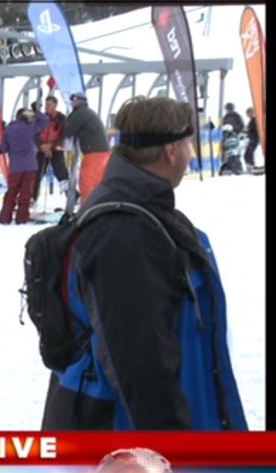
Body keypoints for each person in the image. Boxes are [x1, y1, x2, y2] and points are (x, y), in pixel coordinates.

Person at [41, 95, 247, 431]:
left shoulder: (146, 214)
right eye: (188, 145)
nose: (191, 154)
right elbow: (141, 365)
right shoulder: (124, 232)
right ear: (171, 150)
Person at [0, 106, 48, 225]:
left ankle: (5, 217)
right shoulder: (30, 128)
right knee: (26, 193)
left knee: (11, 192)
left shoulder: (9, 129)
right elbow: (45, 120)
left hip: (15, 166)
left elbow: (3, 148)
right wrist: (36, 110)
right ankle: (22, 218)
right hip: (30, 165)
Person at [64, 92, 109, 212]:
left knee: (86, 182)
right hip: (101, 152)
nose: (73, 102)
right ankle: (98, 208)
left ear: (81, 101)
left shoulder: (81, 113)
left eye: (75, 100)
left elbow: (68, 130)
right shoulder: (87, 113)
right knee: (96, 183)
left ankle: (87, 210)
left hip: (94, 153)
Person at [34, 96, 70, 205]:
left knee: (61, 174)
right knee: (37, 174)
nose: (47, 107)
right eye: (46, 105)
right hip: (42, 150)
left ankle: (72, 196)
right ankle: (33, 197)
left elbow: (64, 134)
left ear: (55, 105)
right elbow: (35, 133)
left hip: (56, 149)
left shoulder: (61, 118)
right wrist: (42, 146)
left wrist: (51, 145)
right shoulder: (41, 118)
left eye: (49, 104)